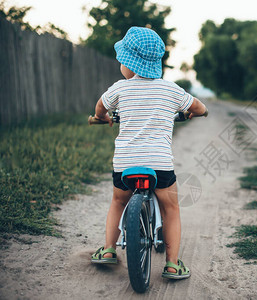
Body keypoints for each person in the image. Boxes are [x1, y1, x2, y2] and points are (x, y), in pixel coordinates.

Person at [90, 26, 208, 280]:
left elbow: (101, 106)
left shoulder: (119, 88)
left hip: (125, 164)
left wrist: (103, 117)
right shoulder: (171, 89)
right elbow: (199, 107)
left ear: (130, 64)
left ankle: (109, 249)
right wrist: (192, 112)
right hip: (159, 165)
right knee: (171, 209)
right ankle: (173, 264)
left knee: (119, 201)